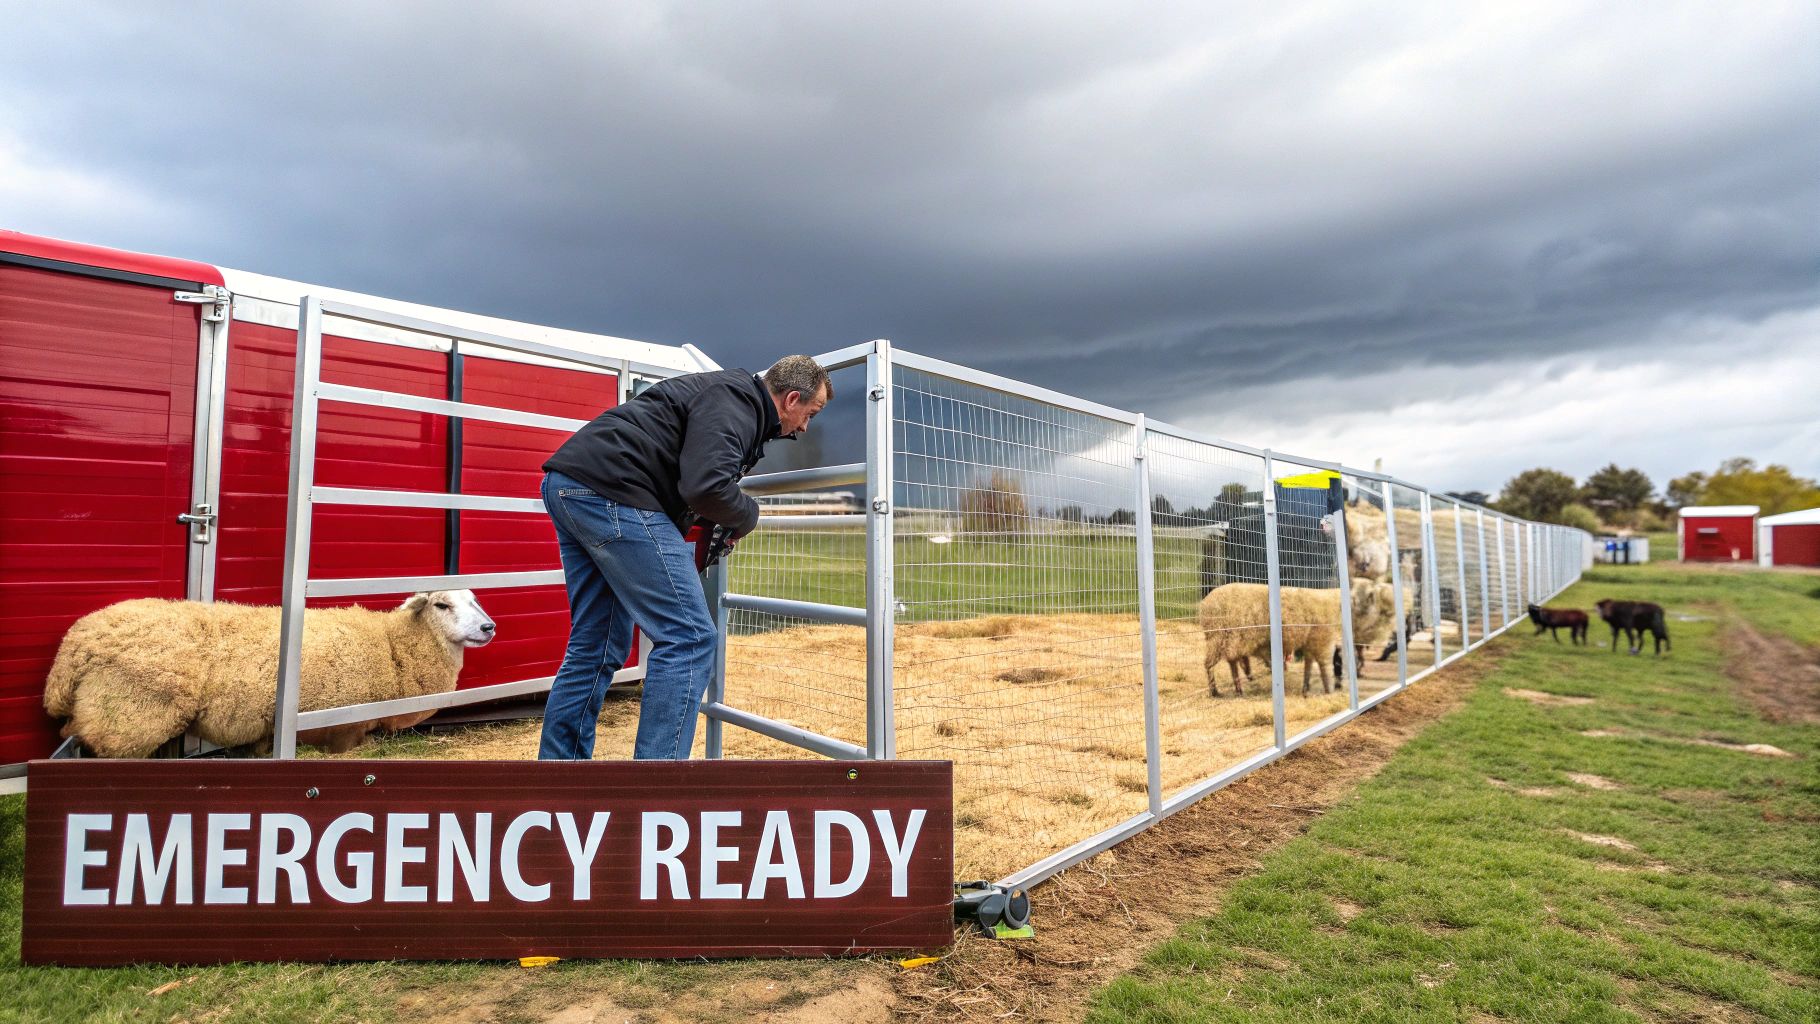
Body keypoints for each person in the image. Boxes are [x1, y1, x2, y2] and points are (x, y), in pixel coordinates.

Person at [537, 356, 830, 760]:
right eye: (809, 414)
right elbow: (706, 485)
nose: (804, 427)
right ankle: (658, 788)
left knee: (598, 642)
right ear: (791, 398)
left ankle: (557, 776)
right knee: (689, 636)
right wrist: (746, 515)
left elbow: (691, 476)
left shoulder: (728, 396)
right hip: (614, 491)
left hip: (573, 483)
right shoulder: (737, 404)